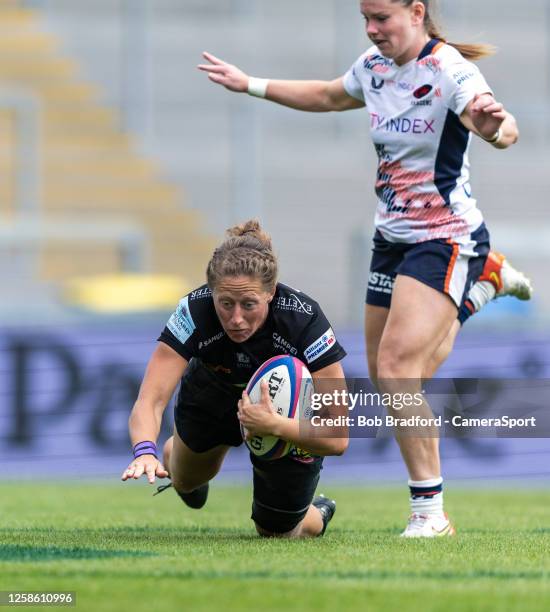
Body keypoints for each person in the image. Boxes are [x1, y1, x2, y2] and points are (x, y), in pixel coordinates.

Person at [198, 0, 533, 537]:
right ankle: (482, 288)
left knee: (400, 369)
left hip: (445, 237)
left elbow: (496, 121)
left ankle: (429, 514)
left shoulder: (451, 70)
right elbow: (330, 95)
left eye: (382, 18)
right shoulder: (374, 69)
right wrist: (250, 84)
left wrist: (496, 129)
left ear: (417, 12)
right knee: (395, 375)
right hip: (392, 240)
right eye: (366, 19)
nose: (373, 30)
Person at [121, 220, 349, 538]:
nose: (236, 318)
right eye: (225, 303)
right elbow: (151, 400)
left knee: (278, 532)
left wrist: (275, 425)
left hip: (284, 414)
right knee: (186, 483)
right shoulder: (194, 310)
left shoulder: (305, 320)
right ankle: (177, 455)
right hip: (213, 393)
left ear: (270, 292)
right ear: (211, 292)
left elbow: (338, 436)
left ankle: (316, 512)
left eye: (249, 304)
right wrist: (145, 450)